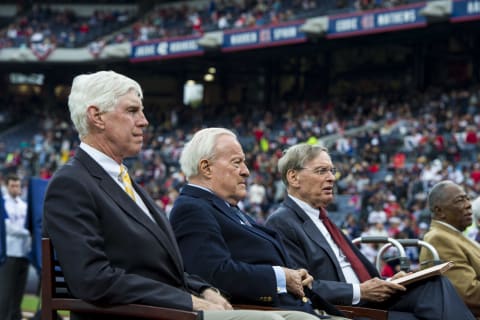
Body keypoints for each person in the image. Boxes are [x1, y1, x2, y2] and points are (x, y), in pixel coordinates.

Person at [42, 71, 317, 320]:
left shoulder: (123, 181)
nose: (144, 121)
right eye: (132, 111)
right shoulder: (72, 183)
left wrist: (204, 289)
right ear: (97, 116)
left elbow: (162, 269)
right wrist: (187, 301)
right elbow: (93, 280)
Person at [265, 143, 475, 320]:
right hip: (347, 308)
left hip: (370, 299)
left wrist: (389, 282)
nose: (331, 178)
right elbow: (300, 286)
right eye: (321, 171)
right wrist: (361, 291)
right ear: (293, 177)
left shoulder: (322, 218)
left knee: (434, 283)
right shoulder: (282, 222)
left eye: (331, 170)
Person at [169, 128, 346, 320]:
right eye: (237, 163)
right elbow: (212, 275)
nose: (246, 171)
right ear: (206, 168)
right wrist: (281, 277)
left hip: (301, 307)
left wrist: (296, 275)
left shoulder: (228, 208)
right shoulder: (192, 208)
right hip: (271, 312)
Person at [419, 180, 480, 317]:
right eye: (460, 200)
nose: (468, 205)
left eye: (467, 199)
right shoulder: (439, 239)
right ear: (439, 211)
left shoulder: (454, 235)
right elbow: (468, 294)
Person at [0, 174, 31, 320]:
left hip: (23, 253)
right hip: (10, 252)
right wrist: (27, 232)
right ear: (7, 186)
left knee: (19, 293)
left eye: (17, 185)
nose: (15, 188)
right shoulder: (4, 204)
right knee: (6, 293)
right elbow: (8, 228)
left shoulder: (24, 206)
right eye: (12, 185)